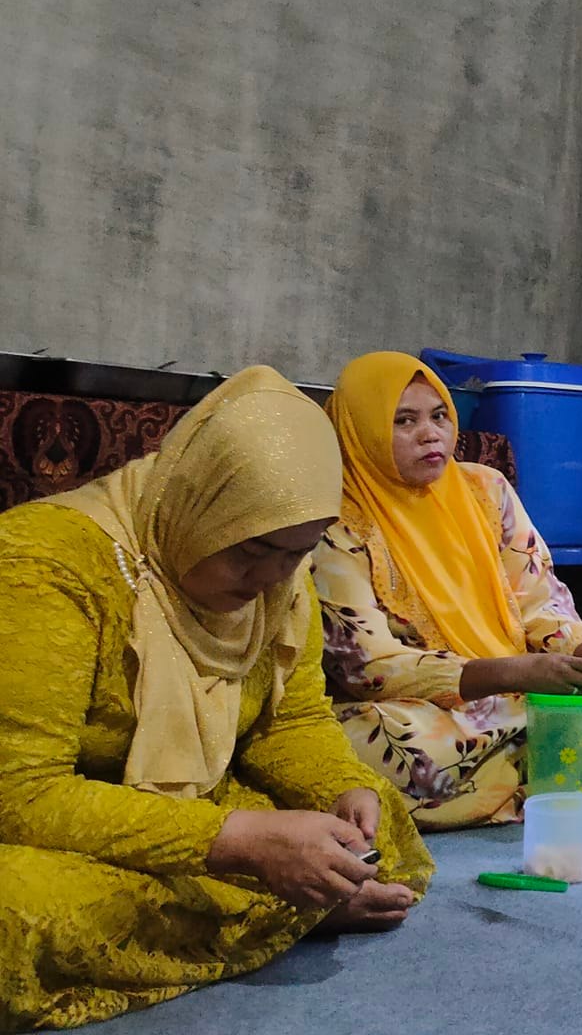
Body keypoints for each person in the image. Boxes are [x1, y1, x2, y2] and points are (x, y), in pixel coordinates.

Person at [0, 367, 433, 1030]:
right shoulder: (45, 566)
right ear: (200, 504)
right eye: (253, 551)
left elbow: (291, 720)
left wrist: (341, 789)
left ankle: (291, 896)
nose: (271, 579)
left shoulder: (282, 577)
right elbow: (22, 796)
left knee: (381, 826)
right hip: (56, 820)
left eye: (295, 554)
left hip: (196, 800)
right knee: (17, 910)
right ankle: (293, 908)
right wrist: (239, 842)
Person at [313, 352, 582, 830]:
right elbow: (369, 667)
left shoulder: (487, 489)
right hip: (424, 710)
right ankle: (539, 769)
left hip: (517, 696)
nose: (431, 434)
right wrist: (509, 673)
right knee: (373, 743)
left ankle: (512, 767)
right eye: (404, 421)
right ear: (361, 432)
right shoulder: (337, 521)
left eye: (440, 415)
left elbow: (539, 598)